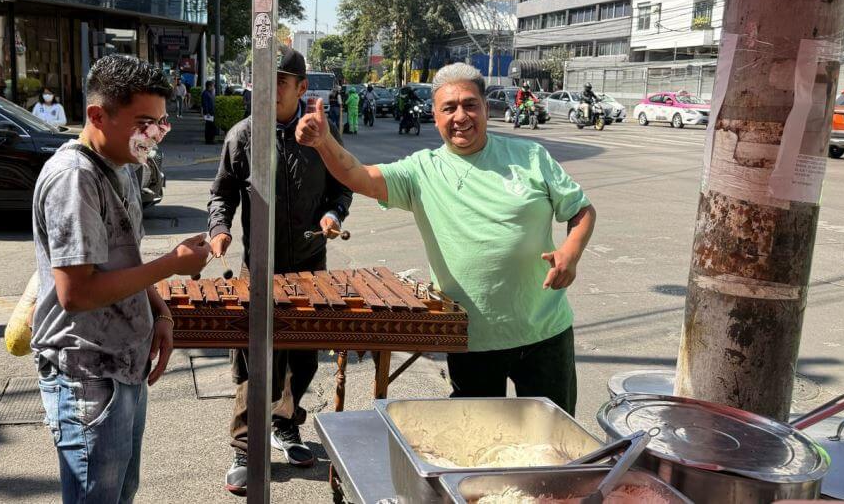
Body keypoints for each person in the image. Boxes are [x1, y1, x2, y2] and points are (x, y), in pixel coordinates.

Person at [295, 62, 596, 416]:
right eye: (448, 108)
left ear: (486, 108)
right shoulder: (422, 170)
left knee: (554, 441)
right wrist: (324, 142)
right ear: (435, 117)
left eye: (470, 105)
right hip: (471, 337)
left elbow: (581, 210)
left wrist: (570, 253)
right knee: (480, 446)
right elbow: (358, 176)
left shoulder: (530, 157)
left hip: (546, 331)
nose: (461, 116)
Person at [32, 54, 211, 504]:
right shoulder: (75, 178)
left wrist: (161, 311)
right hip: (87, 376)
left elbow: (121, 258)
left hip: (123, 366)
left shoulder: (123, 165)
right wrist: (172, 263)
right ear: (97, 115)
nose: (156, 133)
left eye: (162, 121)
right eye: (145, 122)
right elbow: (77, 293)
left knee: (119, 493)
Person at [208, 45, 353, 496]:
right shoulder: (243, 135)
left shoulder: (321, 136)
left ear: (302, 87)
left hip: (310, 265)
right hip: (260, 266)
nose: (268, 91)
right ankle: (243, 446)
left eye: (281, 83)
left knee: (304, 358)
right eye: (262, 82)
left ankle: (285, 425)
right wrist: (219, 229)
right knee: (255, 362)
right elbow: (222, 193)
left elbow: (342, 187)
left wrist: (334, 216)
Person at [202, 80, 218, 145]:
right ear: (209, 86)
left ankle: (210, 139)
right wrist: (207, 112)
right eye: (213, 86)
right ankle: (209, 140)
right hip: (209, 113)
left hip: (211, 112)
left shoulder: (209, 93)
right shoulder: (206, 93)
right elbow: (205, 104)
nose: (213, 87)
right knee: (209, 126)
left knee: (211, 126)